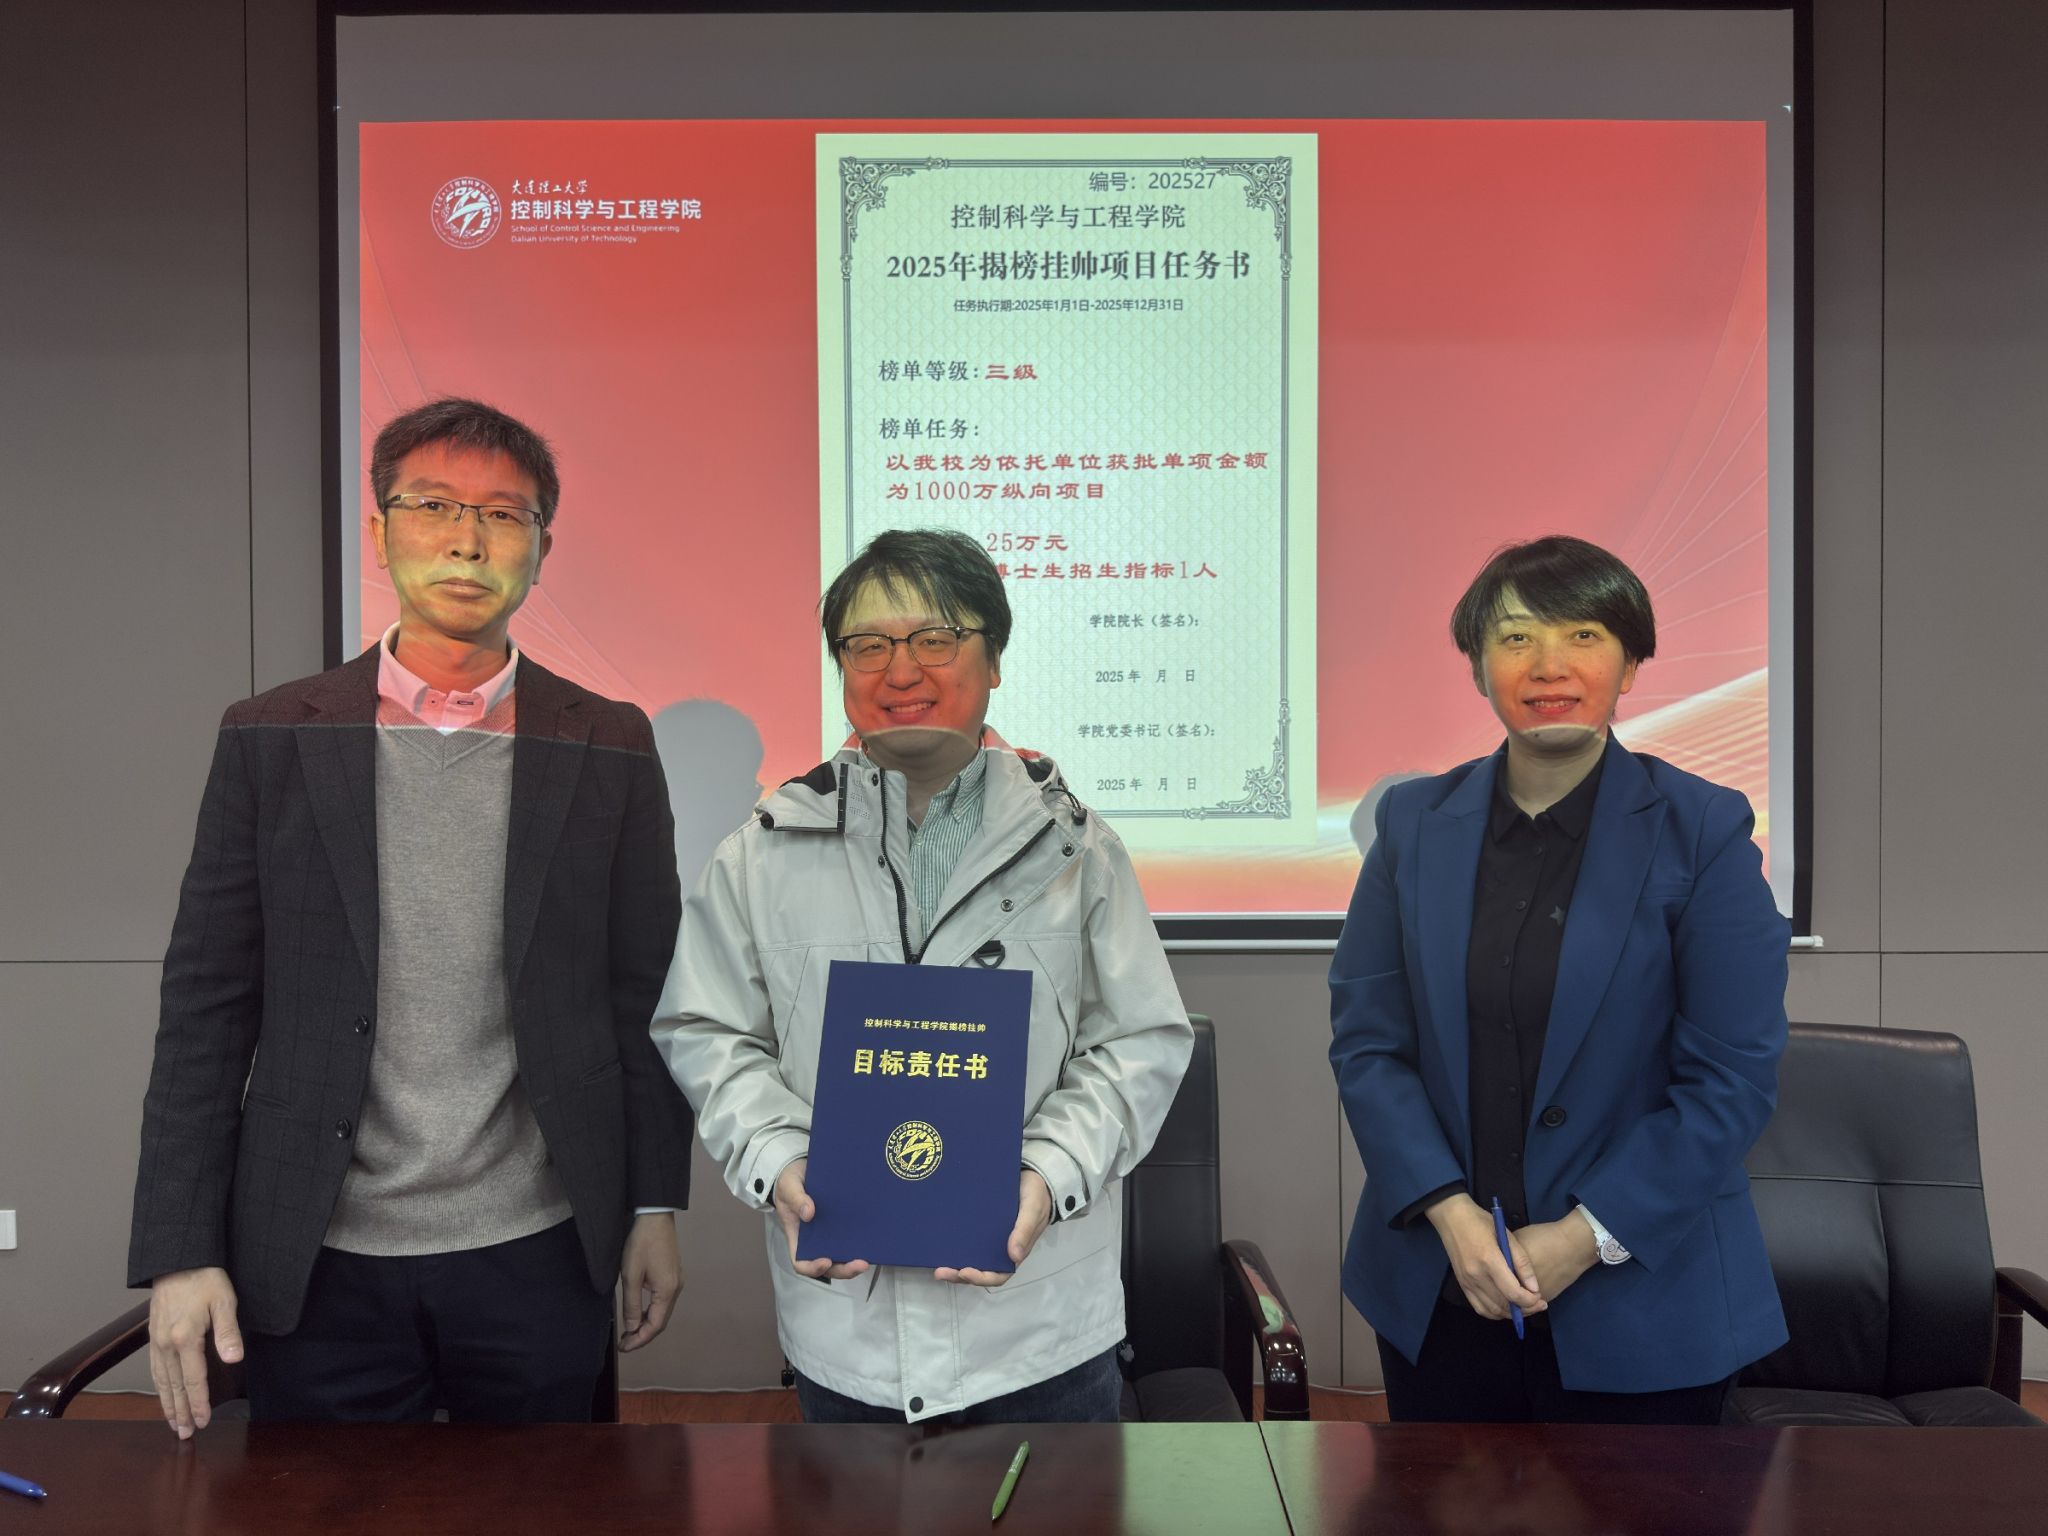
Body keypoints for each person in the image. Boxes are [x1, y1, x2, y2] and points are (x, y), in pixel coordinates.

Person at [129, 397, 694, 1433]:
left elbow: (642, 995)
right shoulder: (271, 735)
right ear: (381, 530)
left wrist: (656, 1202)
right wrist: (181, 1247)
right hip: (314, 1246)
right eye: (433, 505)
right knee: (322, 1504)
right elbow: (207, 1005)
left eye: (503, 514)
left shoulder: (608, 742)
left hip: (540, 1240)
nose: (467, 540)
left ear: (542, 547)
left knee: (543, 1503)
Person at [652, 528, 1192, 1424]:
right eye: (867, 645)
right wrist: (779, 1158)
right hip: (847, 1338)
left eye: (935, 638)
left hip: (1039, 1332)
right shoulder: (761, 853)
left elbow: (1139, 1042)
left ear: (994, 659)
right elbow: (707, 1033)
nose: (900, 670)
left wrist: (1047, 1170)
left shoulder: (1077, 849)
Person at [1329, 535, 1788, 1423]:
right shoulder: (1413, 824)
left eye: (1583, 635)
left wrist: (1585, 1237)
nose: (1549, 665)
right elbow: (1369, 1045)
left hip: (1648, 1305)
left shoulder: (1703, 830)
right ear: (1477, 667)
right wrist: (1451, 1215)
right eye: (1515, 639)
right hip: (1442, 1286)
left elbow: (1730, 1081)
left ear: (1631, 663)